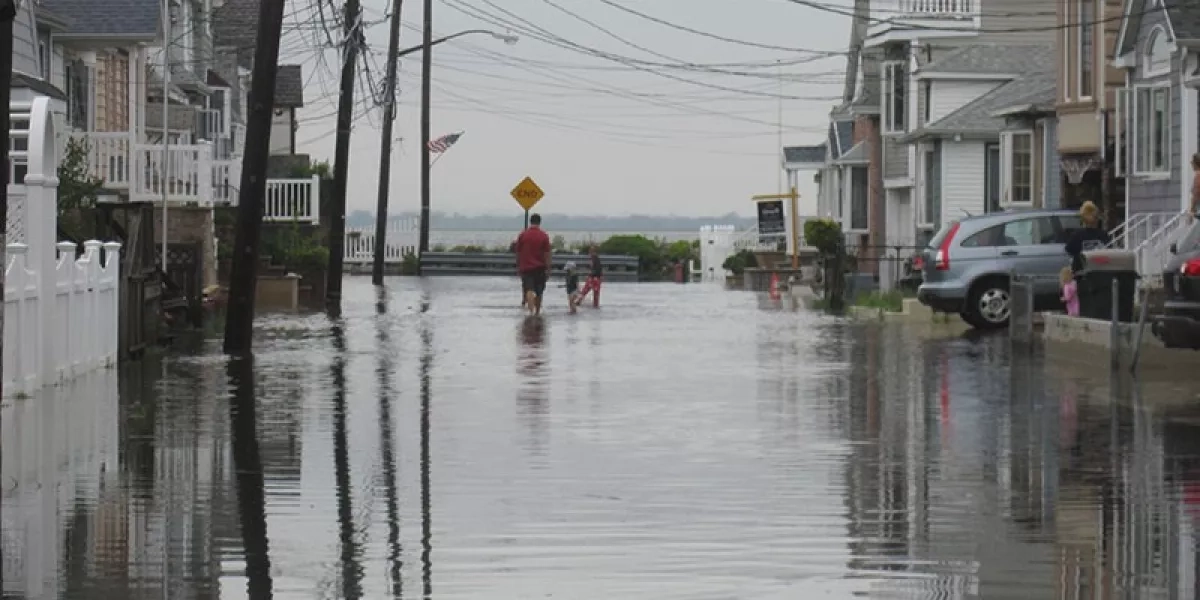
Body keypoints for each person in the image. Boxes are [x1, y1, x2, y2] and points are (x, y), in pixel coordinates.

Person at [514, 213, 552, 315]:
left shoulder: (523, 235)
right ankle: (537, 312)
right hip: (540, 268)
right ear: (540, 222)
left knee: (529, 290)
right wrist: (548, 269)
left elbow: (518, 252)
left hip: (526, 268)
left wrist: (518, 266)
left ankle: (531, 312)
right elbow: (547, 254)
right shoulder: (544, 236)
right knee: (539, 292)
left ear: (530, 222)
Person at [1065, 200, 1110, 274]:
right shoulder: (1103, 235)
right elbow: (1109, 252)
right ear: (1097, 218)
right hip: (1100, 272)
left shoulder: (1077, 235)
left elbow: (1069, 250)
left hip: (1081, 274)